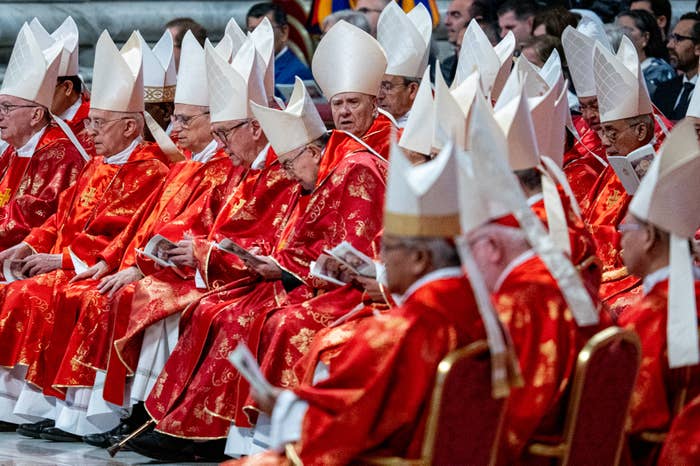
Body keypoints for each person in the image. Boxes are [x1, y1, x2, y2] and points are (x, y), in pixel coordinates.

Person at [125, 21, 390, 461]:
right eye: (337, 103)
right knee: (216, 308)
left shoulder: (357, 164)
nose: (342, 111)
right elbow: (294, 235)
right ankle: (186, 423)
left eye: (352, 103)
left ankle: (253, 439)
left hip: (349, 290)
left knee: (261, 319)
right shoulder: (328, 161)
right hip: (295, 277)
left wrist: (283, 268)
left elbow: (356, 246)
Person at [39, 30, 245, 441]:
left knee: (124, 296)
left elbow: (198, 229)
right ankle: (80, 411)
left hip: (195, 272)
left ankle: (128, 411)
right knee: (103, 290)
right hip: (160, 265)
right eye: (176, 118)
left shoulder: (220, 167)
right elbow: (143, 225)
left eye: (186, 119)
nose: (173, 126)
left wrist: (134, 267)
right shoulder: (187, 164)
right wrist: (115, 261)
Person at [0, 30, 168, 440]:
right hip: (70, 263)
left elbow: (124, 232)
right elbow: (60, 217)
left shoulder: (148, 169)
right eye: (89, 122)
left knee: (42, 294)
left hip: (93, 268)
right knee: (23, 290)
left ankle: (79, 414)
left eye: (98, 123)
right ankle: (33, 406)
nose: (88, 131)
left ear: (131, 127)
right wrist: (31, 244)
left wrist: (63, 261)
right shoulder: (99, 163)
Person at [616, 120, 700, 463]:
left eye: (627, 227)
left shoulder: (648, 316)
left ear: (649, 237)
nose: (619, 235)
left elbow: (631, 418)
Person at [584, 35, 671, 318]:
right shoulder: (616, 162)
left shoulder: (667, 164)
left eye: (612, 132)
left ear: (641, 132)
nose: (605, 141)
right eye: (604, 132)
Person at [0, 24, 86, 252]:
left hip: (28, 254)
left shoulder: (61, 155)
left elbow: (31, 220)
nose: (0, 115)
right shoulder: (13, 149)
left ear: (36, 114)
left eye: (7, 107)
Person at [561, 21, 614, 203]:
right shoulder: (580, 136)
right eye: (583, 107)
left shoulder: (656, 133)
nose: (588, 116)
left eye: (596, 105)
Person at [375, 2, 431, 126]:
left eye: (387, 87)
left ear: (412, 90)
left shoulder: (430, 128)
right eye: (377, 87)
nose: (379, 95)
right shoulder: (370, 128)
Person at [246, 3, 313, 89]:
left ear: (284, 33)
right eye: (252, 31)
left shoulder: (298, 74)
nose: (258, 37)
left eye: (265, 30)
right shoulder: (246, 67)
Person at [616, 9, 675, 98]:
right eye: (616, 29)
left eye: (626, 30)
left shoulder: (660, 71)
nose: (618, 35)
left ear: (645, 37)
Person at [653, 12, 700, 121]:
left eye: (678, 38)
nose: (669, 45)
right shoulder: (663, 90)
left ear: (698, 48)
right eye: (671, 37)